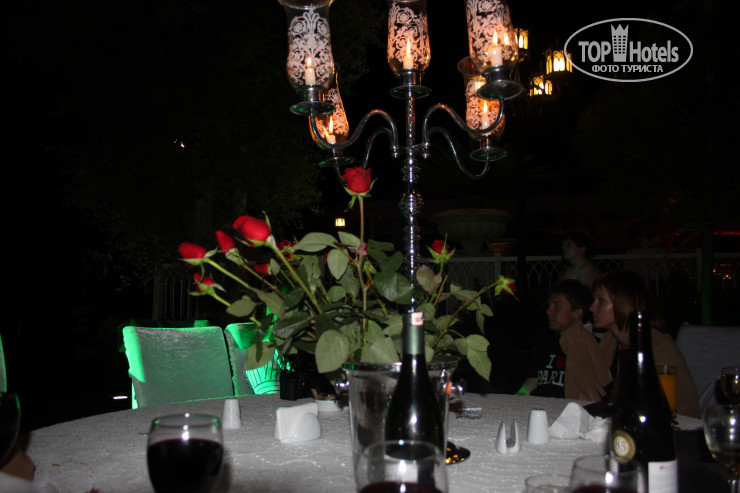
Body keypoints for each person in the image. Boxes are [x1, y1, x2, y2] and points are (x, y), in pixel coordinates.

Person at [591, 271, 701, 418]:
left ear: (623, 303)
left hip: (675, 426)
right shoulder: (610, 342)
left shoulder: (656, 346)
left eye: (601, 300)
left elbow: (656, 405)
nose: (592, 307)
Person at [517, 279, 613, 401]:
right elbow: (527, 388)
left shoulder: (592, 348)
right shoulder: (546, 347)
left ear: (577, 313)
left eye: (557, 306)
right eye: (549, 305)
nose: (549, 311)